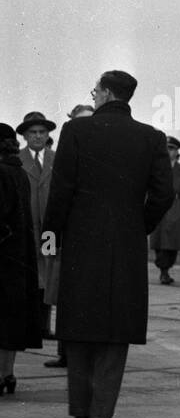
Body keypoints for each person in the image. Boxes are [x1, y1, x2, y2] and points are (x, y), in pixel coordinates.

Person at [42, 71, 172, 418]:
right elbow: (164, 194)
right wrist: (138, 224)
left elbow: (61, 190)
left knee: (79, 322)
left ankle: (80, 409)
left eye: (95, 90)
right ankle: (102, 414)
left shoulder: (76, 132)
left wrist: (51, 236)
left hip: (81, 241)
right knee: (116, 329)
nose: (94, 95)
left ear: (106, 93)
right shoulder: (151, 137)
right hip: (125, 245)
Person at [42, 103, 94, 369]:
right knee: (62, 295)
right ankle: (65, 353)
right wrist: (49, 243)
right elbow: (55, 200)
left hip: (90, 240)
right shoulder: (64, 154)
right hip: (64, 239)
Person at [0, 122, 43, 394]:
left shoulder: (1, 173)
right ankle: (8, 374)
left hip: (2, 259)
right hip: (18, 259)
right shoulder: (19, 172)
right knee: (10, 320)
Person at [17, 110, 57, 337]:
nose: (38, 136)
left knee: (48, 273)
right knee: (27, 275)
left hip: (49, 231)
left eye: (42, 132)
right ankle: (26, 326)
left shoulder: (57, 158)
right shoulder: (17, 159)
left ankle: (44, 326)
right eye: (33, 132)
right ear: (24, 135)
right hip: (25, 228)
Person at [148, 136, 180, 285]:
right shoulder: (155, 167)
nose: (168, 151)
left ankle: (166, 269)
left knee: (173, 243)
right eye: (166, 148)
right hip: (158, 206)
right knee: (159, 242)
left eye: (171, 148)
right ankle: (164, 271)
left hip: (176, 209)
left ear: (177, 151)